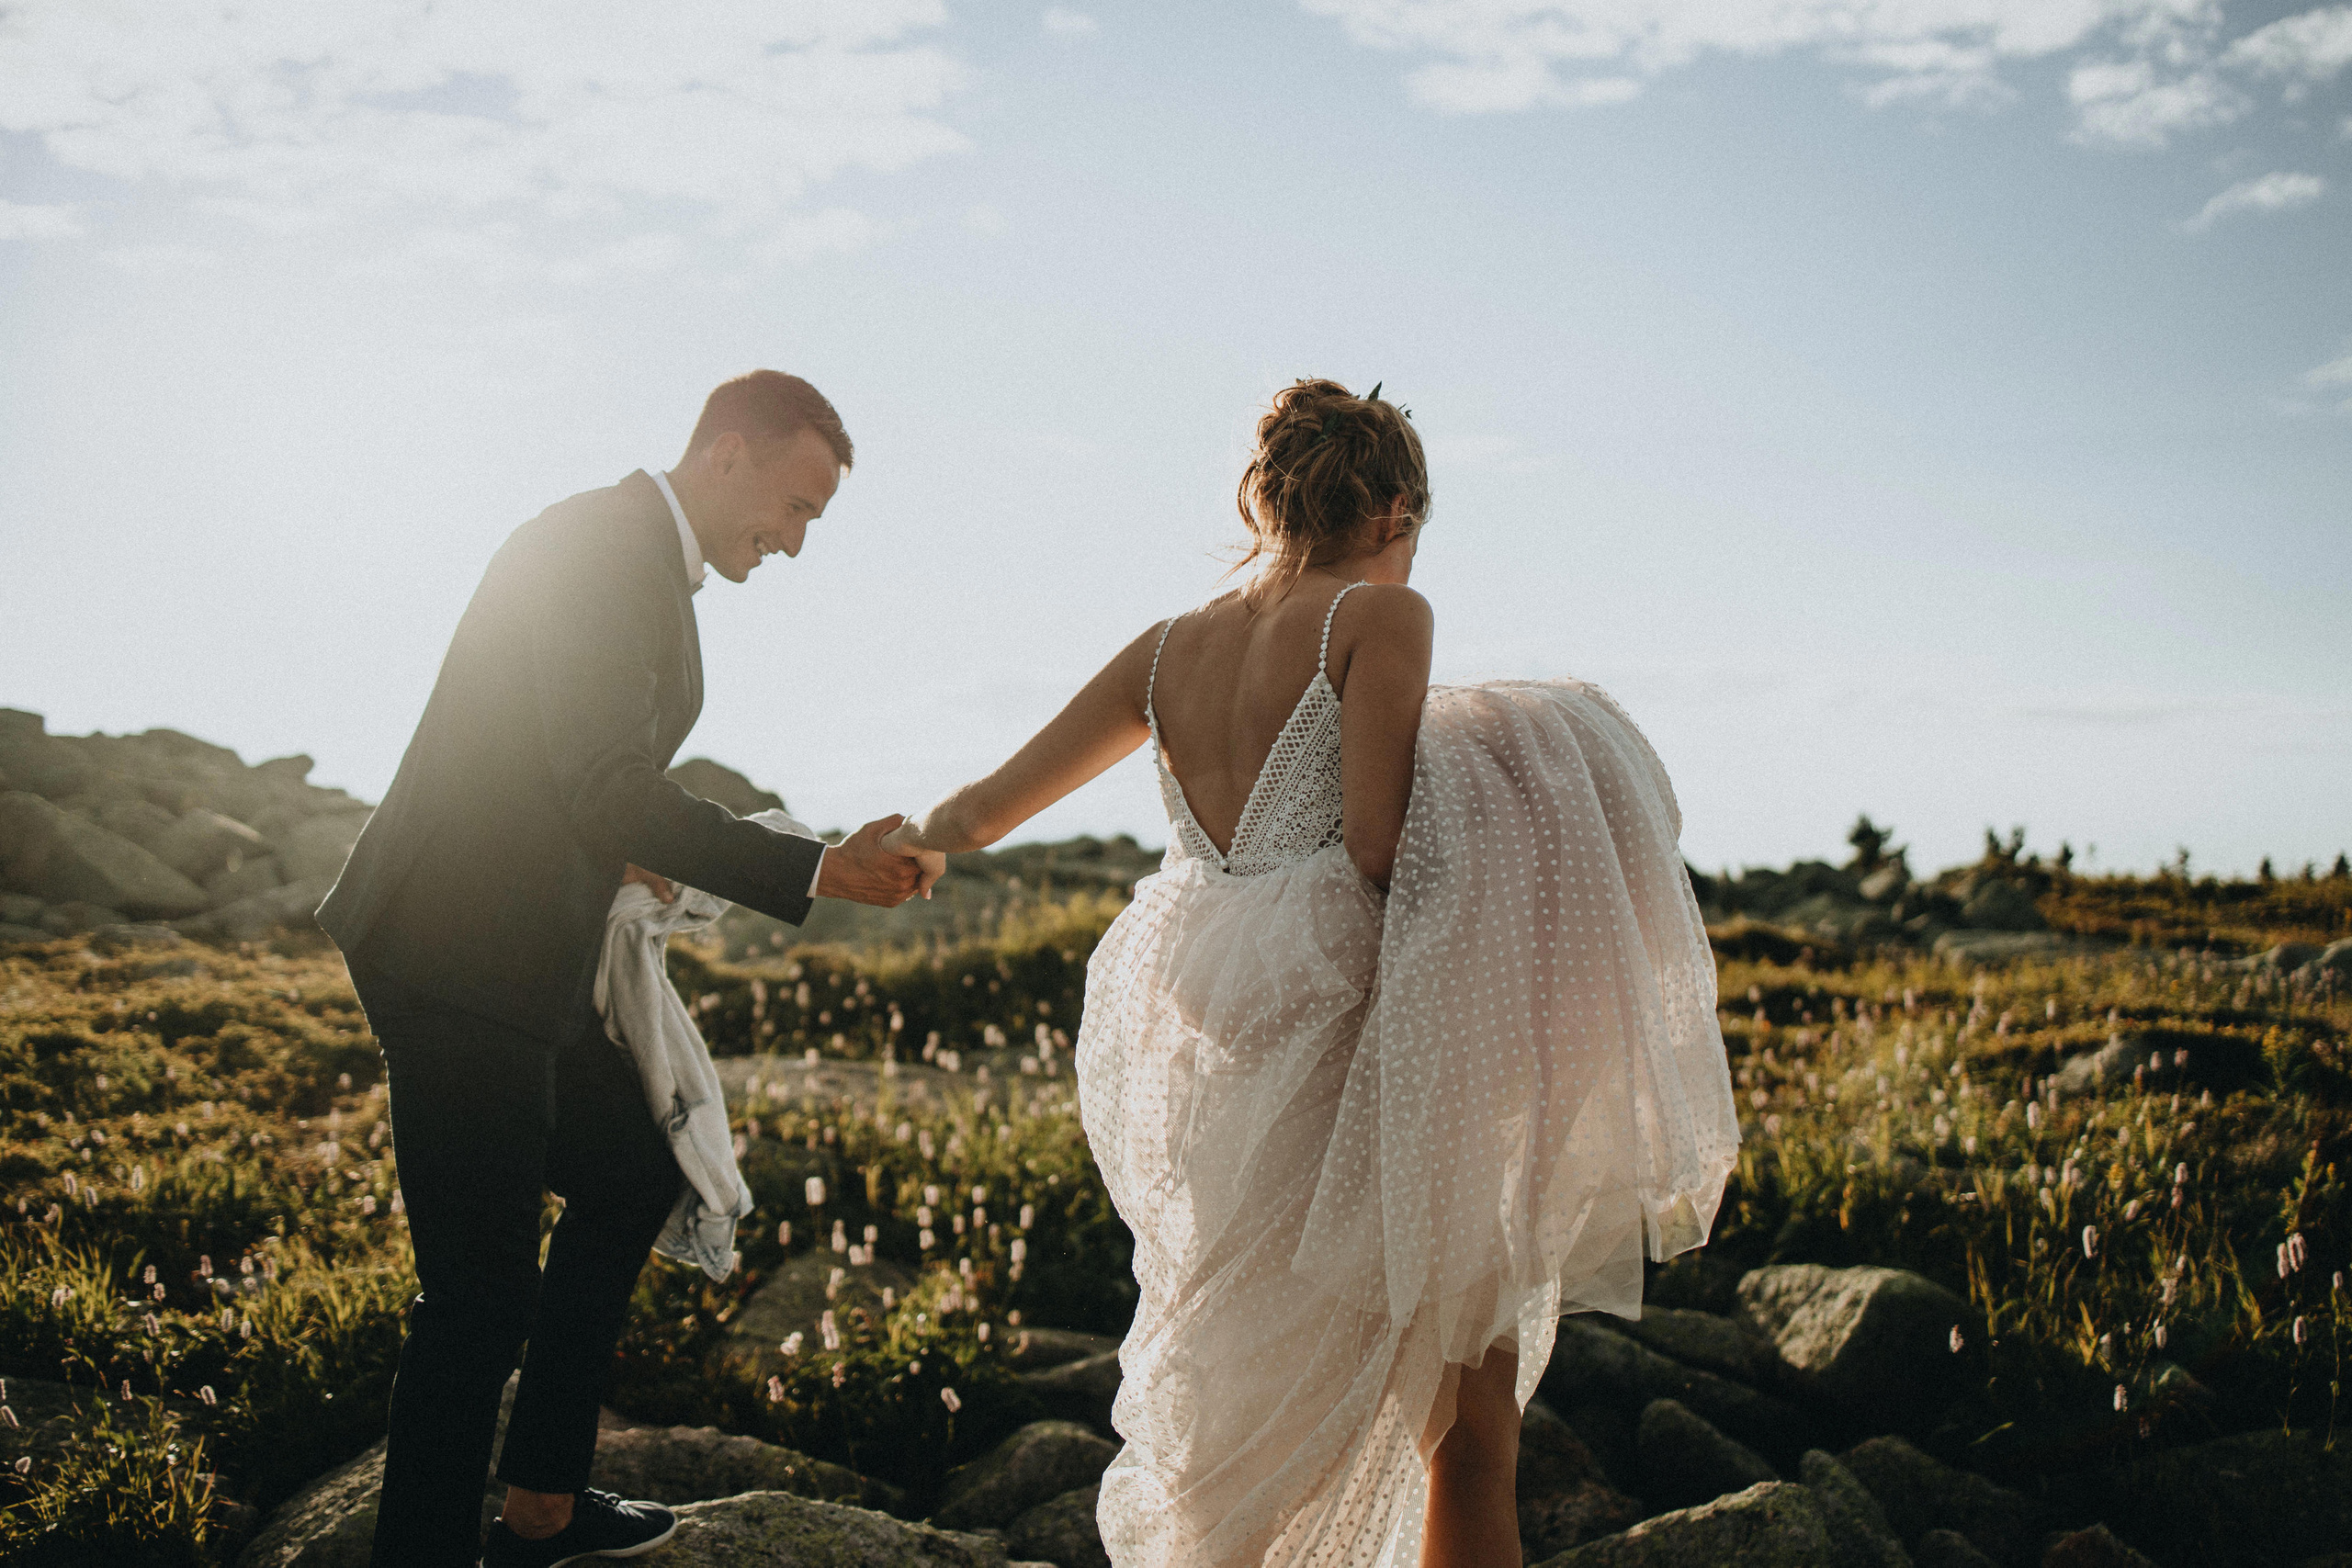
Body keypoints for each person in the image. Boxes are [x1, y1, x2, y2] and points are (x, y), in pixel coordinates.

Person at [880, 378, 1742, 1568]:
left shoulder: (1163, 649)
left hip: (1217, 1046)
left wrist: (914, 843)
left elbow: (983, 808)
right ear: (1393, 508)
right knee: (1467, 1428)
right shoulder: (1378, 619)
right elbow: (1381, 844)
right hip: (1351, 1043)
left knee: (1246, 1388)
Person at [314, 370, 929, 1568]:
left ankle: (542, 1500)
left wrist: (627, 866)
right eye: (798, 507)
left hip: (516, 950)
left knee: (631, 1171)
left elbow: (562, 775)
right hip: (454, 950)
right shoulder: (599, 548)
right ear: (730, 453)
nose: (798, 544)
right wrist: (818, 869)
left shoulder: (637, 559)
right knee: (478, 1304)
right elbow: (605, 784)